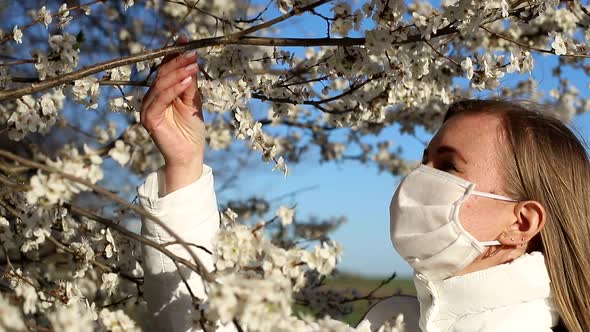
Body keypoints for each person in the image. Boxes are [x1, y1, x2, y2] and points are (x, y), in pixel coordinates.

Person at [137, 41, 590, 332]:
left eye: (448, 166)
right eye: (424, 160)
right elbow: (197, 321)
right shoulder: (396, 321)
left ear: (521, 221)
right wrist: (184, 165)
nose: (419, 179)